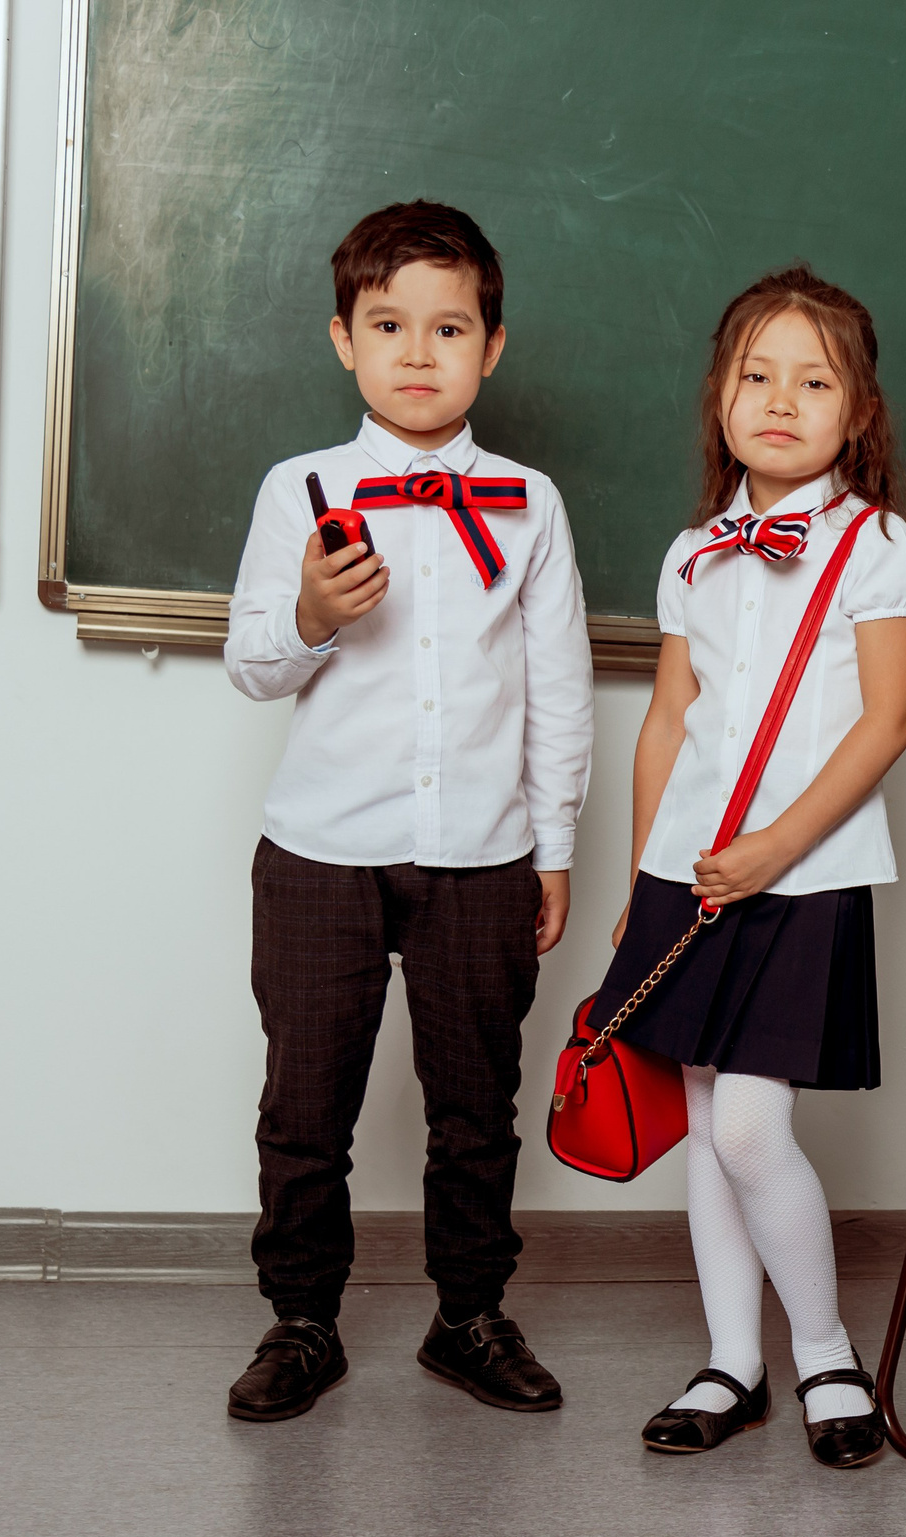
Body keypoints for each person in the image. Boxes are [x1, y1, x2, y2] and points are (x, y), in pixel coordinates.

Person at [221, 200, 595, 1422]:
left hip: (483, 850)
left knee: (476, 1104)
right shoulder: (300, 488)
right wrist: (313, 616)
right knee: (305, 1102)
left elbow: (557, 688)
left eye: (450, 327)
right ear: (344, 340)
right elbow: (251, 664)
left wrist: (553, 847)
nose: (418, 352)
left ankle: (468, 1314)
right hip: (320, 845)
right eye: (388, 325)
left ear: (492, 346)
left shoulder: (531, 501)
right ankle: (301, 1318)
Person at [600, 266, 906, 1470]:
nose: (781, 400)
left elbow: (886, 720)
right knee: (703, 1123)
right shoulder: (693, 553)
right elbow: (666, 721)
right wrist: (645, 877)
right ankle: (730, 1360)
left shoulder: (876, 544)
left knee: (747, 1127)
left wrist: (775, 847)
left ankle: (827, 1352)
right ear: (719, 396)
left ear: (859, 412)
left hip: (805, 871)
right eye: (756, 374)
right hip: (688, 871)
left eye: (814, 381)